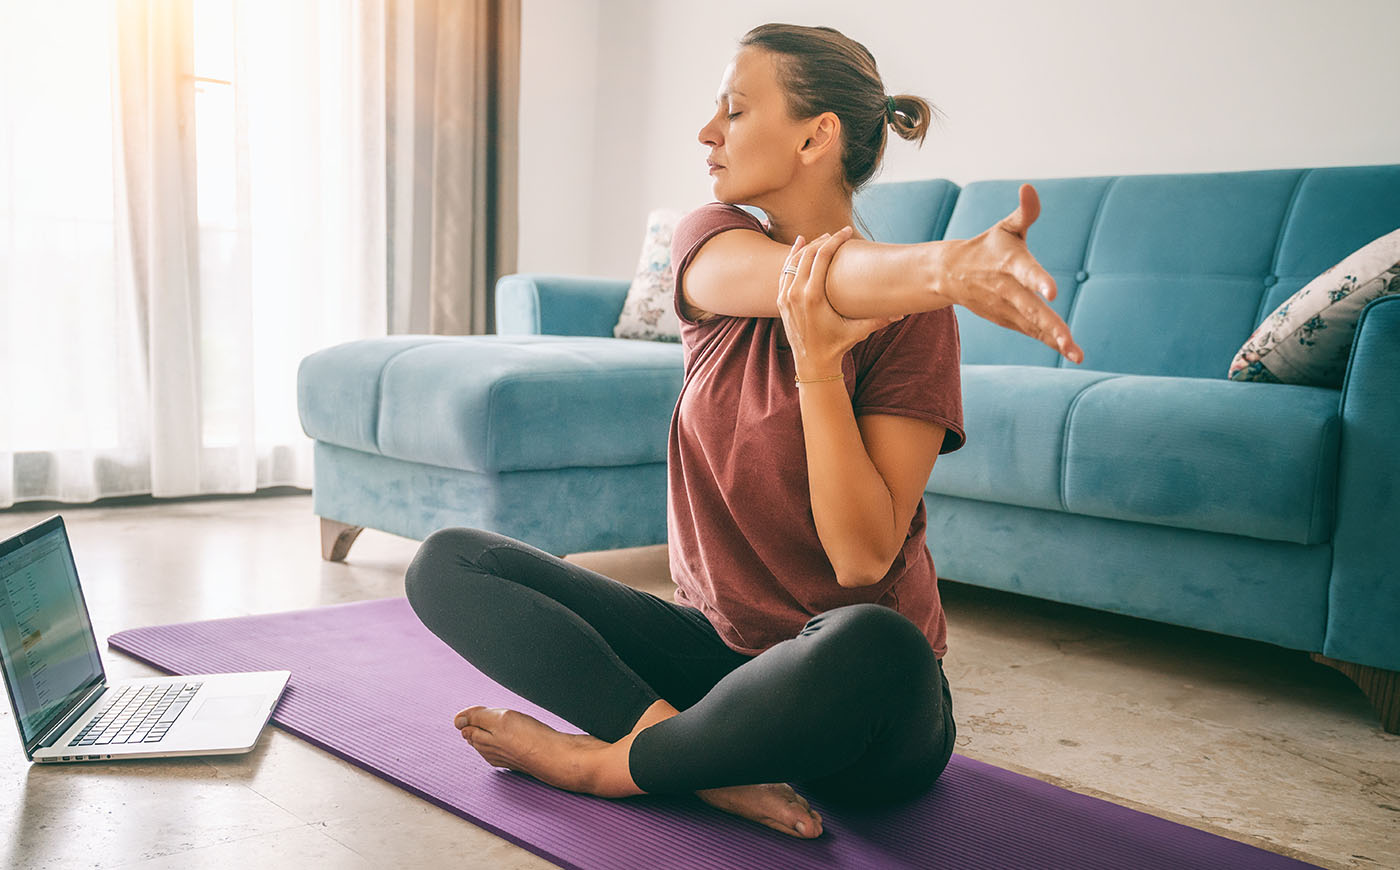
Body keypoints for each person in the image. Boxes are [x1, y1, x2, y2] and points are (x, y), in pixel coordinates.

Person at [404, 22, 1082, 841]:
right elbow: (811, 279)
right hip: (715, 659)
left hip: (851, 700)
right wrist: (946, 268)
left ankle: (609, 766)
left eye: (733, 109)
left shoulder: (914, 325)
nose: (707, 132)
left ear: (814, 135)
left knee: (875, 641)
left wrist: (822, 370)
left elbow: (863, 557)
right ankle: (688, 754)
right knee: (450, 561)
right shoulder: (711, 240)